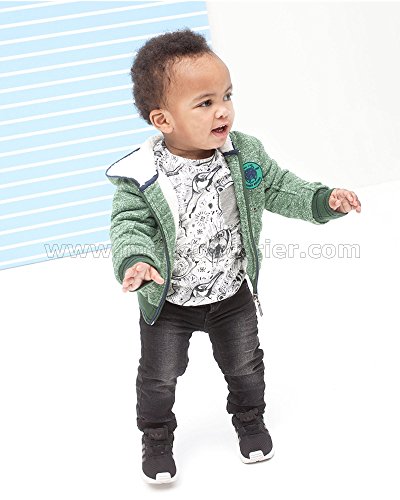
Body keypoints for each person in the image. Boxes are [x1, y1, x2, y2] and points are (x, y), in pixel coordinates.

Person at [105, 28, 362, 484]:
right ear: (163, 120)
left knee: (245, 366)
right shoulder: (142, 175)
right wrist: (137, 262)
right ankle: (157, 436)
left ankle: (249, 420)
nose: (222, 109)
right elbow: (129, 226)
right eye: (204, 103)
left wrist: (323, 200)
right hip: (169, 303)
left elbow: (281, 188)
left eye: (226, 95)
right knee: (159, 377)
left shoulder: (243, 154)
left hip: (231, 294)